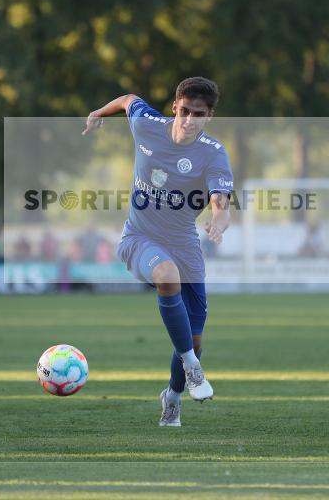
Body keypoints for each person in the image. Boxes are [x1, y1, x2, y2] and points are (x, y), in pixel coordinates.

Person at [83, 76, 233, 427]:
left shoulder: (213, 152)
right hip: (138, 239)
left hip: (186, 247)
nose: (189, 119)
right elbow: (129, 99)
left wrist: (217, 222)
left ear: (208, 116)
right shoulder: (148, 126)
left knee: (195, 340)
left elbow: (221, 202)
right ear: (174, 107)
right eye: (184, 111)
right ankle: (194, 371)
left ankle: (173, 397)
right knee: (167, 275)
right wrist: (98, 113)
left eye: (198, 114)